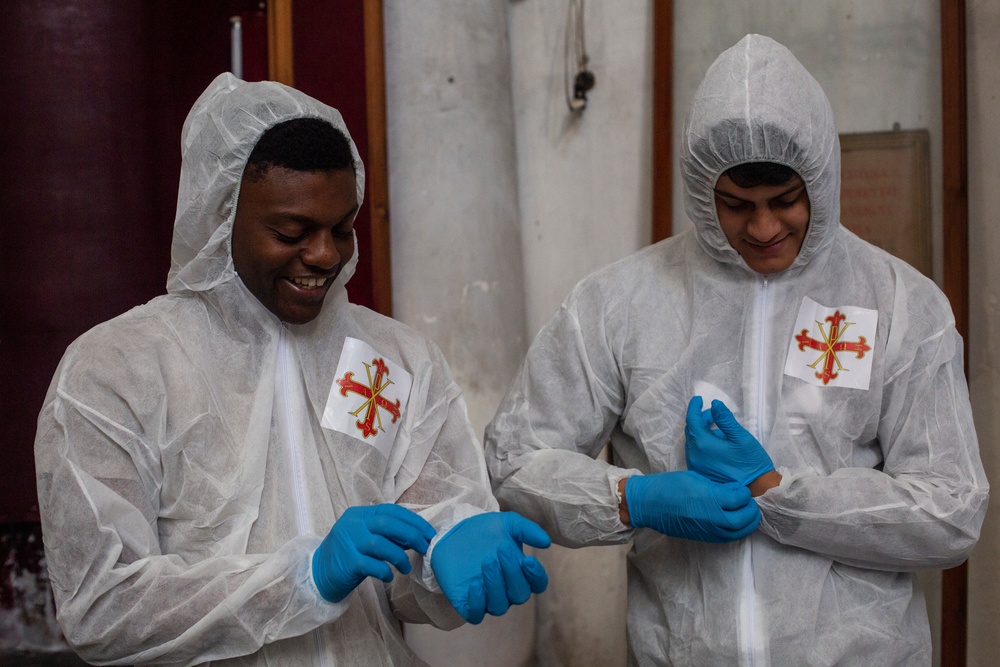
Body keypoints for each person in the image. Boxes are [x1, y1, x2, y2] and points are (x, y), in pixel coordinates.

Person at [484, 33, 988, 665]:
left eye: (785, 202)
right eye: (736, 205)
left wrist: (777, 494)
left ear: (823, 183)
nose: (764, 228)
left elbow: (951, 511)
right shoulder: (619, 302)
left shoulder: (901, 304)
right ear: (703, 192)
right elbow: (515, 463)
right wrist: (635, 497)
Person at [34, 73, 550, 666]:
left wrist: (445, 548)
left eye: (343, 228)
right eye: (291, 232)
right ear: (220, 217)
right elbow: (103, 607)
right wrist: (304, 576)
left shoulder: (393, 360)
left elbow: (413, 564)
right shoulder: (119, 371)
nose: (326, 255)